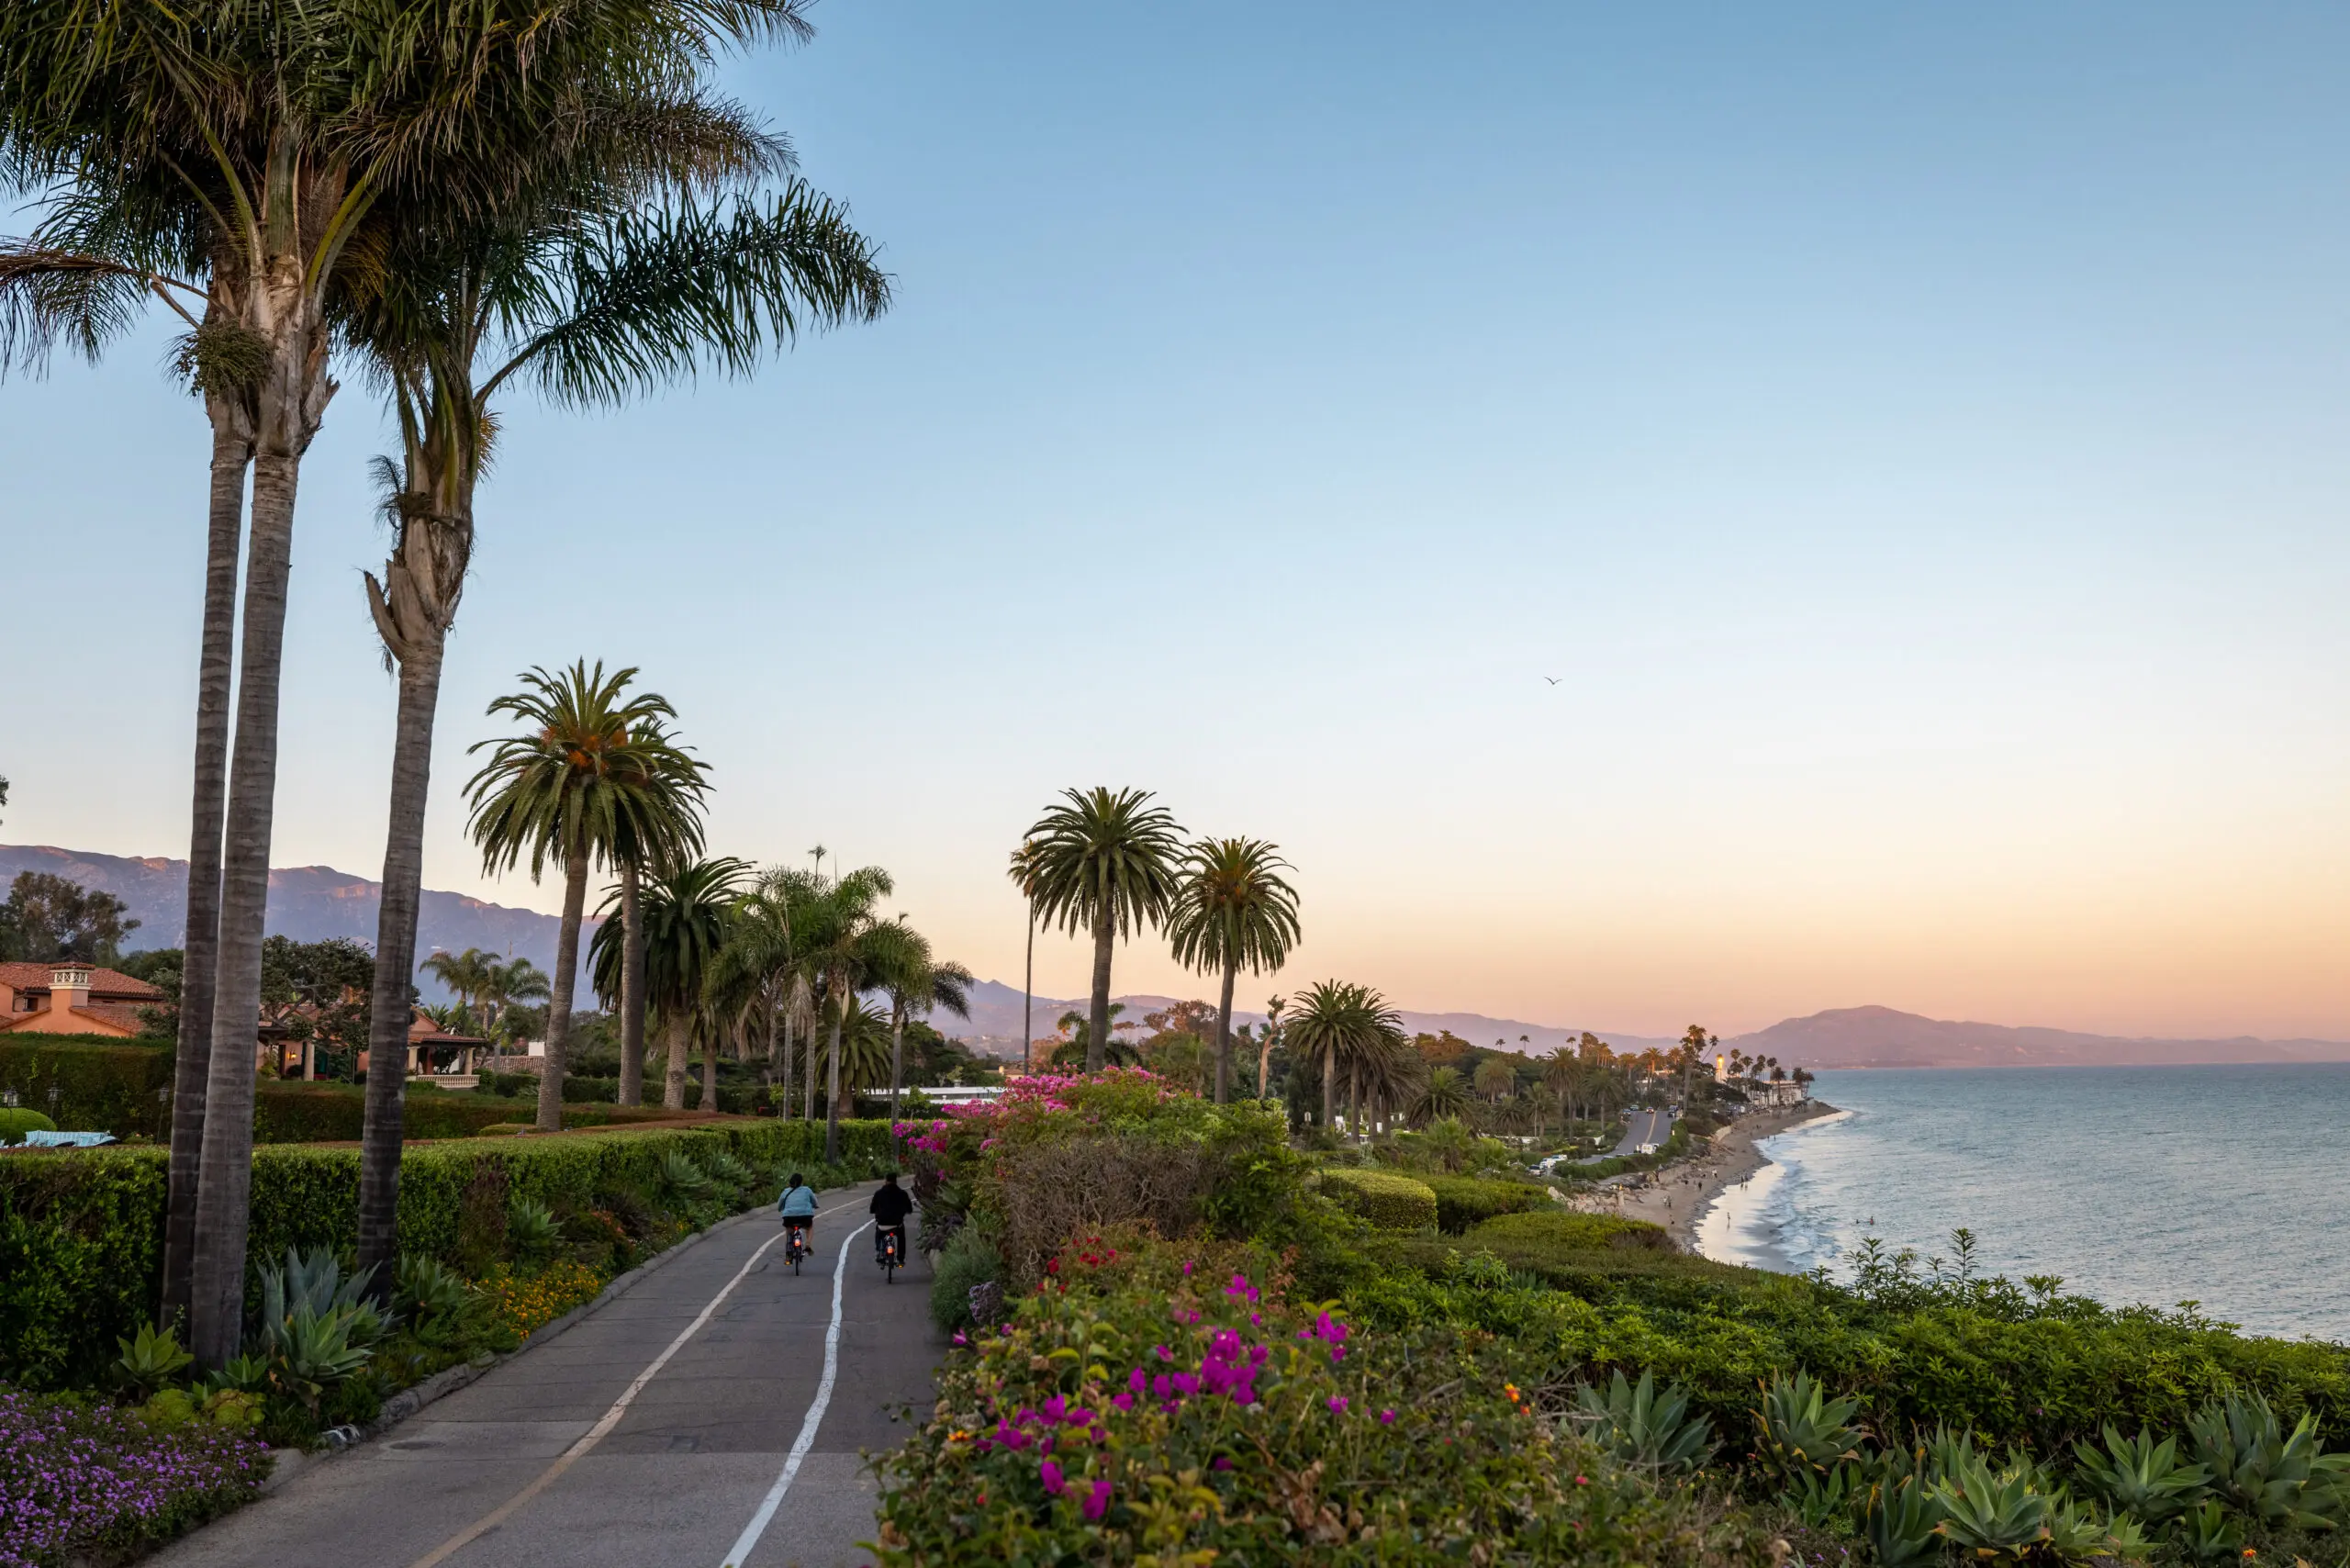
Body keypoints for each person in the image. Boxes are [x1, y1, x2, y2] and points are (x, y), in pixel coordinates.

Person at [869, 1171, 914, 1261]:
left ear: (886, 1180)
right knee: (901, 1237)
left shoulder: (878, 1193)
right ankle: (900, 1258)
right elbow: (909, 1209)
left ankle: (879, 1251)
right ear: (896, 1181)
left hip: (882, 1224)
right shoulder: (902, 1194)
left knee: (878, 1233)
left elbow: (872, 1209)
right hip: (897, 1225)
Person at [778, 1170, 818, 1248]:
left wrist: (780, 1209)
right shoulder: (807, 1190)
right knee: (809, 1228)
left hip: (789, 1216)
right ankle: (808, 1243)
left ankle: (788, 1249)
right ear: (801, 1182)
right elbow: (814, 1200)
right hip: (805, 1216)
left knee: (789, 1230)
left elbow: (780, 1203)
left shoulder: (786, 1191)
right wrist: (815, 1205)